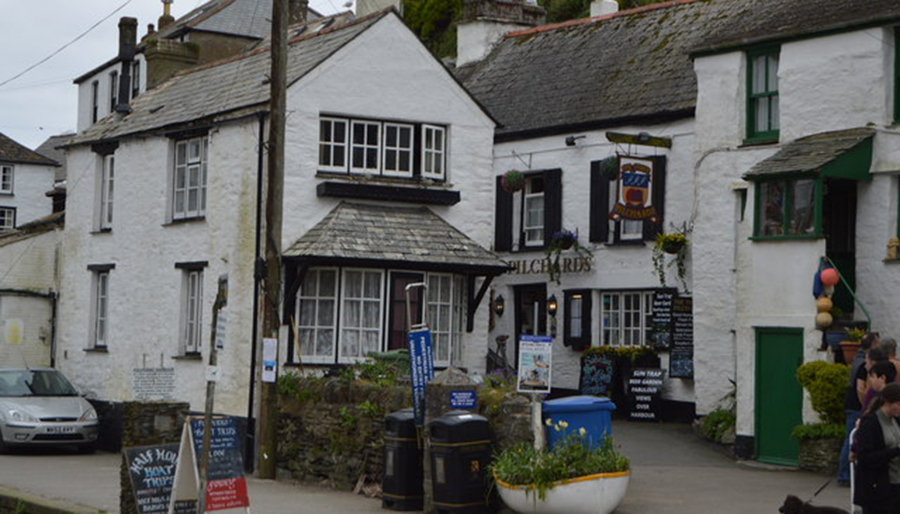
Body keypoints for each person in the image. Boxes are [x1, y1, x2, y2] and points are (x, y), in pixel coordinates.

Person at [840, 332, 881, 485]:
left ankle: (845, 474)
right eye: (878, 342)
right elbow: (860, 388)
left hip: (850, 404)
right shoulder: (864, 364)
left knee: (850, 438)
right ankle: (844, 475)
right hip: (855, 406)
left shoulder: (856, 359)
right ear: (873, 344)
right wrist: (866, 407)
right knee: (851, 438)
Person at [854, 382, 900, 514]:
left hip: (895, 485)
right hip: (876, 488)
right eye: (899, 404)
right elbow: (864, 457)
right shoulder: (870, 423)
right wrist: (896, 451)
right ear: (887, 402)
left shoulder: (896, 420)